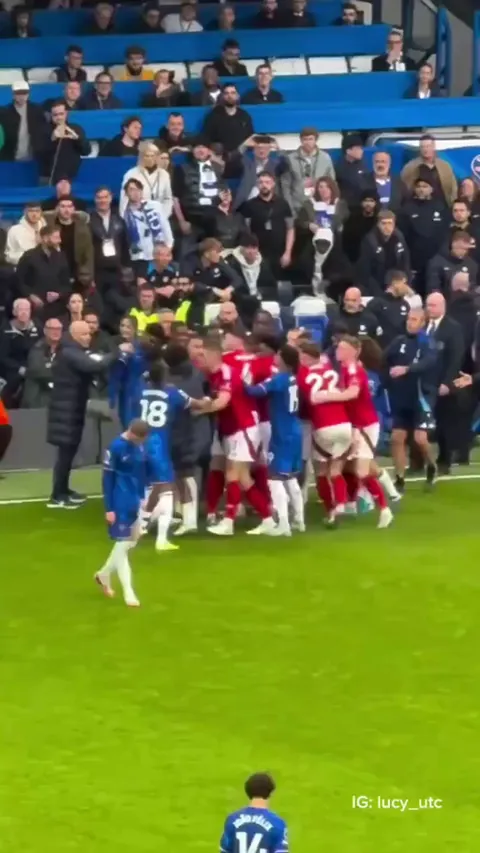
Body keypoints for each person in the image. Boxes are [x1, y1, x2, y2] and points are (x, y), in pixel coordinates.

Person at [314, 335, 393, 528]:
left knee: (361, 470)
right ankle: (344, 505)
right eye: (338, 347)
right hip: (353, 425)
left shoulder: (354, 369)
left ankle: (384, 509)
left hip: (366, 425)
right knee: (341, 468)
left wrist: (326, 397)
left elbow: (353, 393)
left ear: (354, 351)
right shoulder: (341, 369)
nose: (338, 351)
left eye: (342, 348)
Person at [203, 337, 278, 536]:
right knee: (243, 478)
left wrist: (194, 407)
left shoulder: (227, 373)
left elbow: (222, 402)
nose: (200, 360)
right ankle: (267, 518)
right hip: (231, 428)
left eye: (203, 355)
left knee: (233, 474)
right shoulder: (215, 374)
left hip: (242, 428)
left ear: (212, 355)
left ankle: (228, 522)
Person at [47, 320, 119, 509]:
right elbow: (93, 366)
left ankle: (63, 490)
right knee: (65, 453)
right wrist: (118, 353)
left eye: (89, 334)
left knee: (68, 453)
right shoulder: (70, 353)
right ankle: (57, 495)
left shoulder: (73, 351)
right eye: (84, 334)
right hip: (66, 409)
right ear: (74, 335)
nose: (88, 337)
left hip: (71, 407)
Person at [136, 360, 205, 551]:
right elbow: (195, 404)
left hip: (141, 442)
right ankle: (160, 538)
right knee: (166, 489)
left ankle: (142, 523)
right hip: (159, 445)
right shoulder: (172, 393)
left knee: (152, 486)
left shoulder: (141, 391)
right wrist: (207, 401)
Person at [245, 344, 304, 536]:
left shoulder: (279, 379)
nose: (275, 358)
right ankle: (299, 521)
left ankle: (284, 525)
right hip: (295, 430)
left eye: (278, 355)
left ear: (284, 360)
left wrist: (243, 382)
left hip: (282, 433)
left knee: (274, 478)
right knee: (291, 477)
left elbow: (254, 392)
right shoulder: (294, 379)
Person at [96, 418, 150, 608]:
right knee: (123, 543)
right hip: (119, 500)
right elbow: (107, 478)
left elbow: (141, 472)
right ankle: (129, 591)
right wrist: (109, 507)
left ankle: (103, 574)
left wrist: (143, 496)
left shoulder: (139, 447)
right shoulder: (116, 447)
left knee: (130, 541)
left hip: (134, 498)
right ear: (132, 433)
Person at [384, 307, 439, 492]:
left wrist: (406, 369)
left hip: (421, 397)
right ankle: (400, 478)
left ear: (423, 322)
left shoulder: (428, 342)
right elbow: (384, 358)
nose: (410, 322)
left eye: (415, 319)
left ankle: (432, 464)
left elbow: (428, 362)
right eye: (409, 319)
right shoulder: (399, 341)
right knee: (397, 438)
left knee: (420, 438)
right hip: (401, 397)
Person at [163, 342, 211, 536]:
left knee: (184, 473)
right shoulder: (198, 374)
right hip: (193, 428)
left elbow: (196, 403)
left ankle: (188, 518)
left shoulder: (170, 380)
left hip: (184, 431)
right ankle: (182, 514)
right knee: (181, 474)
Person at [425, 292, 465, 474]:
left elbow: (456, 358)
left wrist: (447, 383)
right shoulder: (422, 325)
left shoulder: (453, 328)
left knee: (444, 423)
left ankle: (444, 460)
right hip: (424, 382)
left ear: (442, 306)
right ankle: (418, 461)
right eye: (428, 305)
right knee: (420, 423)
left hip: (442, 383)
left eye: (433, 305)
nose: (429, 309)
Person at [398, 176, 448, 296]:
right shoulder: (407, 208)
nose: (421, 189)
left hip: (436, 259)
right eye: (418, 186)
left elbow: (445, 233)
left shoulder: (440, 207)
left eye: (425, 186)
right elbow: (403, 235)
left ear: (432, 189)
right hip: (415, 260)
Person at [241, 172, 294, 277]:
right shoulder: (249, 205)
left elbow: (290, 228)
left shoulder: (283, 203)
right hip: (259, 252)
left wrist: (288, 252)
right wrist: (251, 251)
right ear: (257, 185)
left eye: (267, 182)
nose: (264, 185)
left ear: (273, 184)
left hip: (280, 251)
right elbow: (247, 230)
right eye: (260, 182)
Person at [220, 773, 288, 853]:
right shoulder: (277, 823)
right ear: (271, 793)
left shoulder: (232, 820)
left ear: (247, 792)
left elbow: (225, 850)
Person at [17, 225, 71, 321]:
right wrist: (31, 296)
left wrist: (59, 294)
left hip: (57, 308)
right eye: (56, 238)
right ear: (45, 238)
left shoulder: (61, 256)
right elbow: (19, 281)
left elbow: (66, 283)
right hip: (35, 308)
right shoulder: (29, 256)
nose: (60, 241)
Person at [122, 178, 173, 277]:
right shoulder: (126, 213)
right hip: (140, 256)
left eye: (138, 189)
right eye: (131, 190)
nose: (135, 193)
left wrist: (168, 249)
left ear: (142, 191)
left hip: (159, 255)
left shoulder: (154, 206)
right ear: (126, 193)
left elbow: (165, 227)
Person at [282, 127, 335, 216]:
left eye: (310, 139)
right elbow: (286, 186)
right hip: (297, 207)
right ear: (301, 141)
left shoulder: (325, 158)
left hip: (320, 206)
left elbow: (332, 183)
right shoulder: (290, 159)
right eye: (305, 139)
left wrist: (330, 205)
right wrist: (289, 208)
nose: (307, 142)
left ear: (315, 140)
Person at [357, 209, 410, 297]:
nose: (387, 227)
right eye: (384, 223)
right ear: (378, 224)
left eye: (390, 223)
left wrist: (405, 283)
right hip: (376, 283)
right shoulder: (370, 241)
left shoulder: (399, 237)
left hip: (396, 280)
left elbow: (406, 263)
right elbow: (366, 272)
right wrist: (381, 293)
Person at [36, 100, 91, 184]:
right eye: (55, 115)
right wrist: (52, 139)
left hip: (71, 176)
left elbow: (86, 151)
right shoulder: (43, 130)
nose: (59, 117)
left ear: (66, 113)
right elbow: (39, 154)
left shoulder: (76, 128)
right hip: (49, 176)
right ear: (51, 115)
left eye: (61, 114)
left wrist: (77, 139)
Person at [0, 297, 41, 407]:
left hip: (34, 366)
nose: (24, 312)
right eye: (20, 309)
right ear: (14, 312)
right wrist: (19, 369)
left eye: (27, 309)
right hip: (13, 369)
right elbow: (3, 356)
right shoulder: (5, 330)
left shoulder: (37, 326)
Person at [119, 142, 173, 220]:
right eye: (147, 156)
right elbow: (124, 200)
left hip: (160, 218)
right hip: (137, 218)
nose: (150, 159)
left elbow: (168, 198)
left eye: (152, 156)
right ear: (141, 157)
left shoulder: (164, 174)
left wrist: (163, 216)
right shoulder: (131, 174)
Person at [401, 135, 457, 207]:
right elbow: (404, 188)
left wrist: (453, 205)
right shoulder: (410, 167)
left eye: (428, 146)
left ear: (433, 147)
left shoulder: (445, 166)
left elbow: (453, 188)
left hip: (442, 206)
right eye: (422, 147)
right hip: (419, 207)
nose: (425, 149)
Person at [0, 81, 47, 163]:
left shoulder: (37, 110)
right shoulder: (4, 112)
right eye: (18, 94)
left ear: (28, 94)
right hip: (10, 157)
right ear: (13, 94)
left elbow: (43, 131)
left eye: (24, 93)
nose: (21, 97)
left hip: (33, 157)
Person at [22, 317, 63, 408]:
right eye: (52, 329)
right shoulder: (37, 348)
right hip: (39, 392)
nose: (56, 332)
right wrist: (61, 372)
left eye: (58, 329)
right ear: (45, 331)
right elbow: (38, 371)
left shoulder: (65, 348)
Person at [203, 84, 254, 155]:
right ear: (222, 96)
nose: (230, 96)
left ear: (237, 96)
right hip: (220, 156)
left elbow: (250, 138)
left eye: (233, 93)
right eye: (226, 93)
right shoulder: (213, 116)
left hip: (241, 156)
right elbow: (207, 139)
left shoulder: (244, 116)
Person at [426, 230, 477, 298]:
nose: (461, 251)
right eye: (459, 247)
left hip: (467, 303)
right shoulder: (437, 262)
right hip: (444, 302)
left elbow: (473, 287)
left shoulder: (472, 264)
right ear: (452, 244)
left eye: (464, 249)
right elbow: (433, 288)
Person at [368, 270, 412, 346]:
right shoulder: (376, 303)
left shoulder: (405, 304)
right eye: (404, 283)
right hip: (381, 348)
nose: (407, 287)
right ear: (394, 283)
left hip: (400, 349)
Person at [335, 134, 371, 207]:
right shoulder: (339, 168)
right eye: (358, 148)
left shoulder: (363, 165)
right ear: (348, 151)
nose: (362, 151)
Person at [5, 202, 46, 267]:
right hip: (23, 268)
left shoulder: (46, 229)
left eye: (37, 211)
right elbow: (9, 256)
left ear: (41, 212)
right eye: (30, 211)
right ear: (24, 212)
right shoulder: (14, 230)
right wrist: (29, 257)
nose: (34, 214)